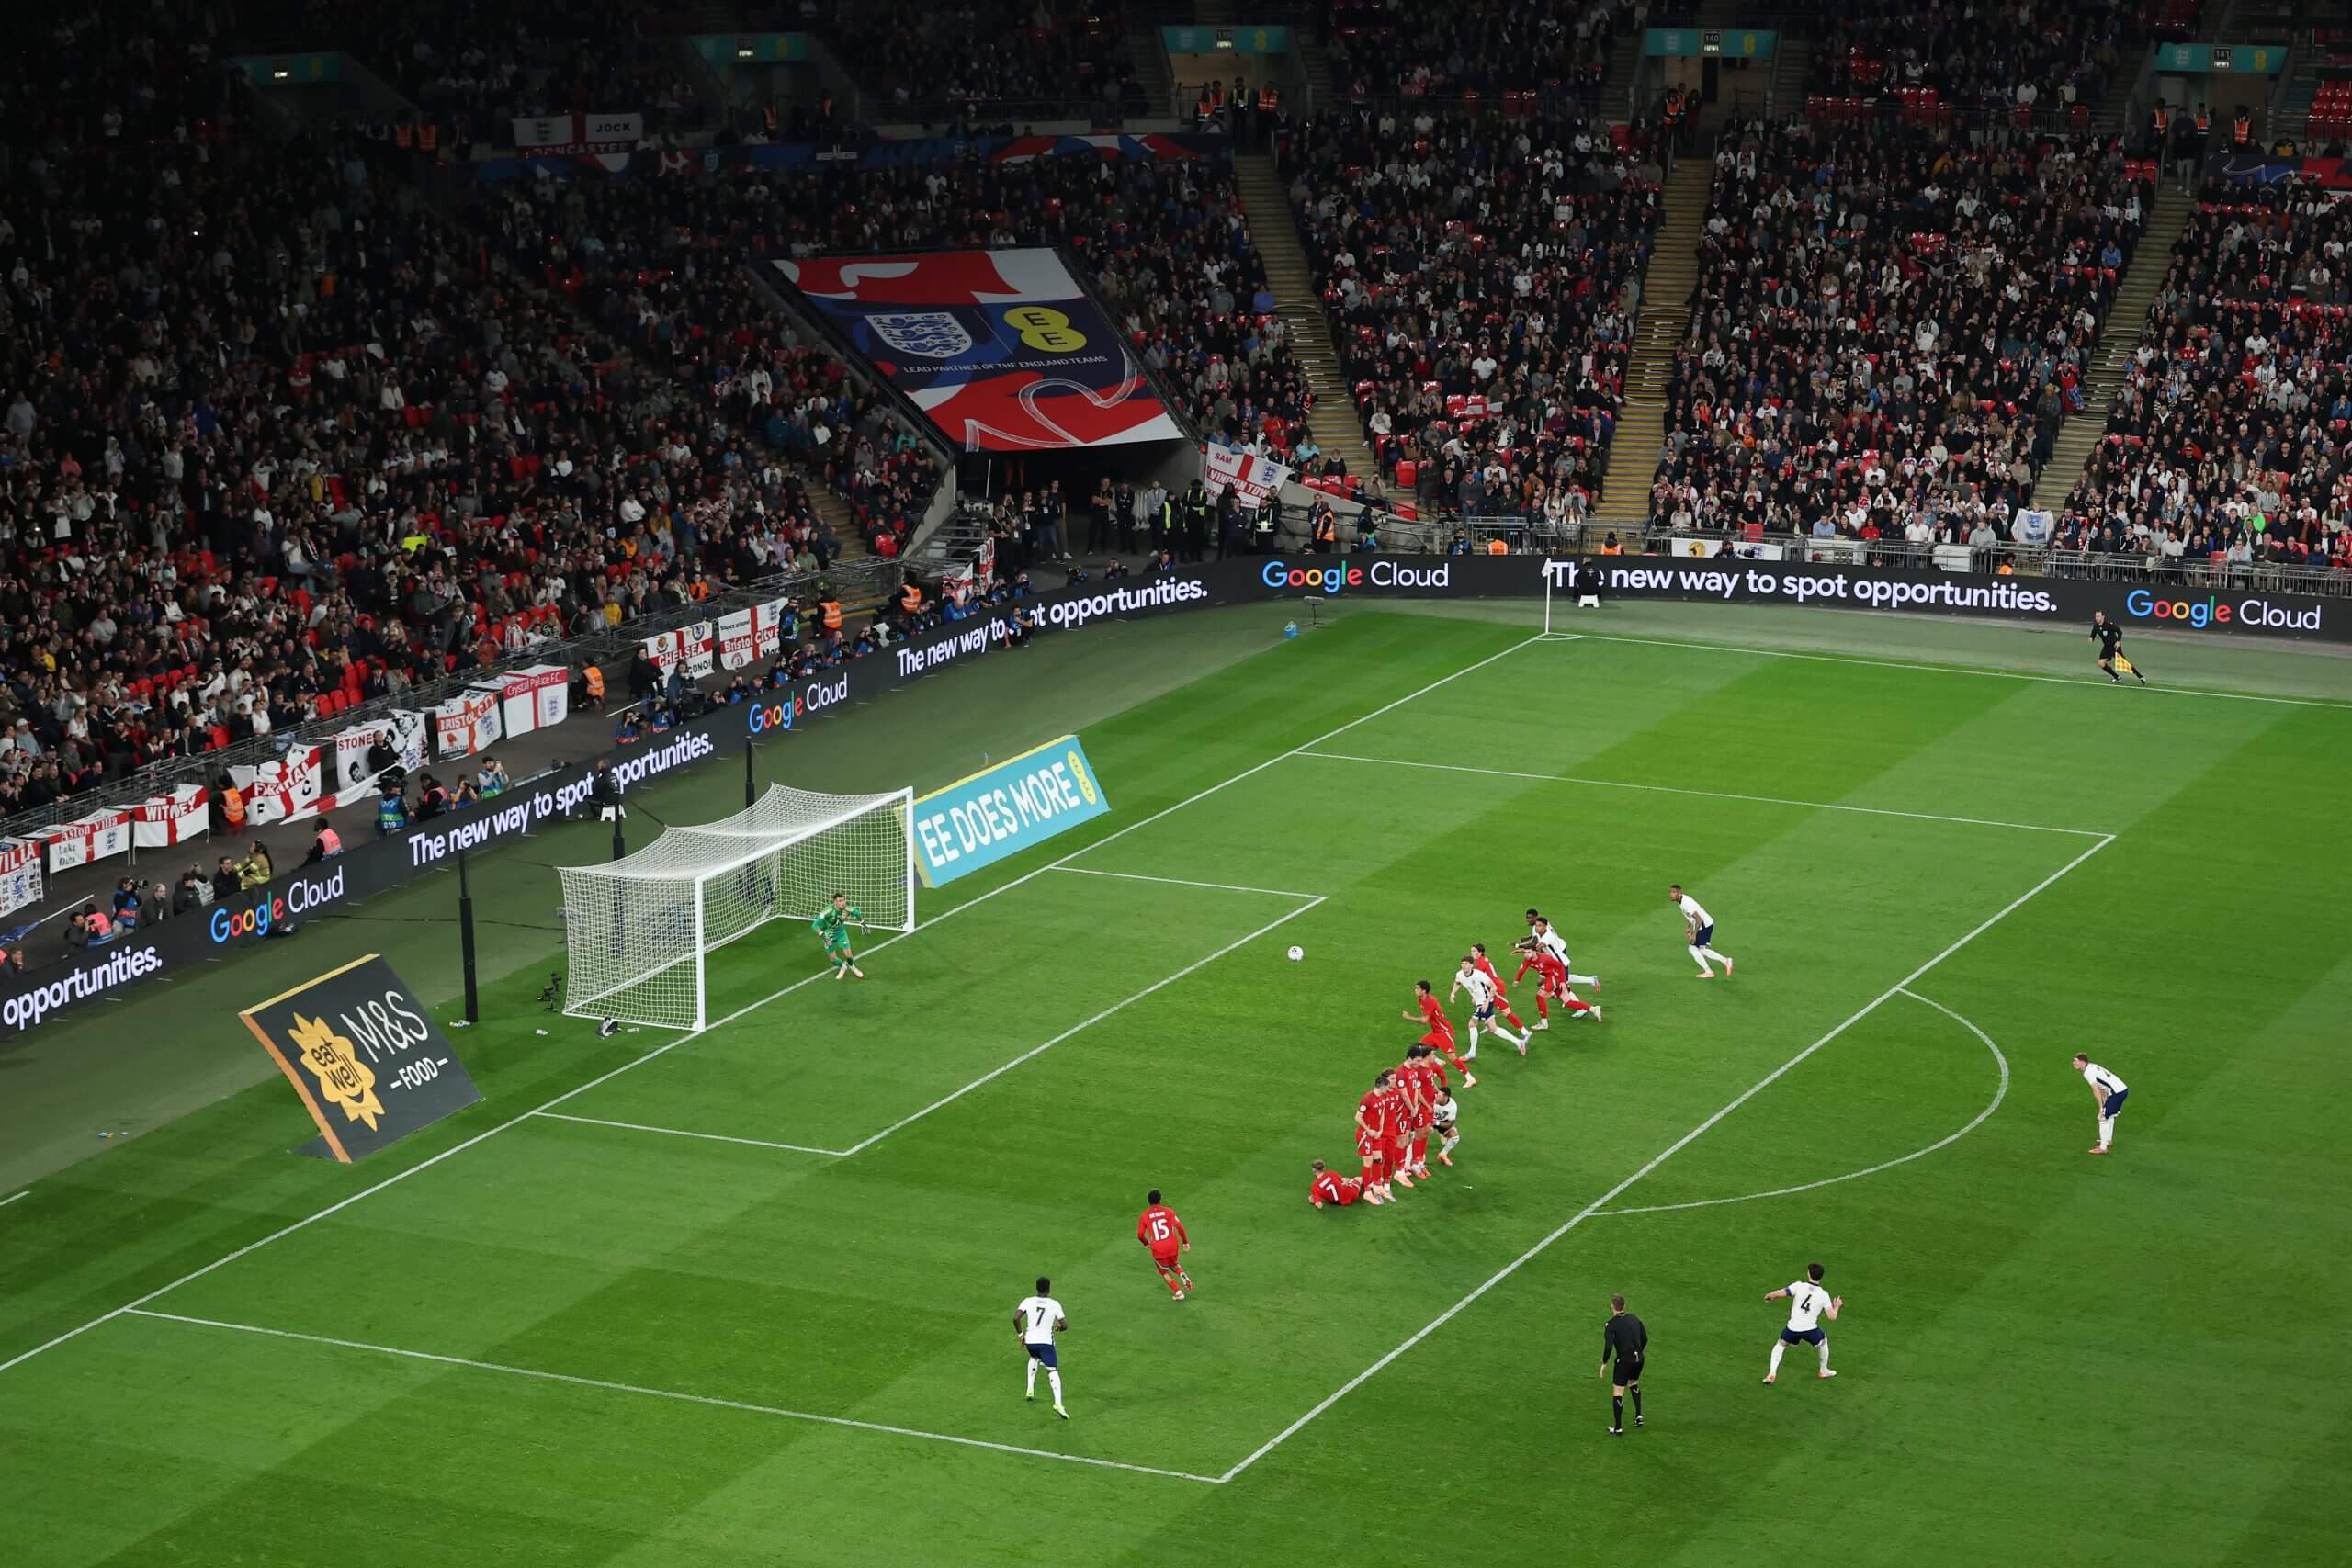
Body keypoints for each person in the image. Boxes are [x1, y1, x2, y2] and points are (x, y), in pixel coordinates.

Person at [1763, 1263, 1842, 1383]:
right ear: (1821, 1276)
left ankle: (1772, 1373)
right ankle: (1823, 1370)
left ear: (1809, 1274)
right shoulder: (1823, 1294)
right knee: (1823, 1342)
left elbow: (1782, 1292)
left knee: (1781, 1345)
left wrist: (1771, 1295)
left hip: (1792, 1328)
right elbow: (1832, 1317)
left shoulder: (1799, 1286)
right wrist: (1836, 1306)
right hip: (1810, 1330)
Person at [1450, 953, 1530, 1057]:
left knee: (1472, 1024)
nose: (1464, 966)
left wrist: (1487, 1002)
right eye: (1462, 963)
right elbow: (1458, 982)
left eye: (1466, 964)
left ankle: (1472, 1053)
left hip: (1485, 1002)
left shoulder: (1479, 975)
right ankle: (1519, 1042)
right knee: (1493, 1028)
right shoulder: (1459, 974)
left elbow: (1494, 987)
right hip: (1479, 1003)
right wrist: (1453, 993)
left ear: (1472, 965)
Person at [1012, 1276, 1070, 1418]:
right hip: (1045, 1343)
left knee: (1034, 1357)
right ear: (1049, 1289)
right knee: (1052, 1370)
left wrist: (1020, 1335)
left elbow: (1016, 1318)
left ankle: (1030, 1389)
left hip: (1030, 1342)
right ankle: (1058, 1403)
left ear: (1037, 1288)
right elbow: (1065, 1325)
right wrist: (1058, 1327)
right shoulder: (1054, 1304)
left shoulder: (1028, 1301)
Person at [1512, 934, 1600, 1025]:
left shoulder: (1545, 958)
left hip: (1555, 977)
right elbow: (1522, 970)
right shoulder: (1528, 959)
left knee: (1540, 995)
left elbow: (1560, 966)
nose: (1526, 954)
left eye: (1528, 952)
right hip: (1551, 977)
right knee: (1567, 1002)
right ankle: (1593, 1009)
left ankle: (1544, 1023)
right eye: (1525, 952)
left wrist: (1562, 981)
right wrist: (1517, 980)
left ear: (1535, 951)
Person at [1403, 979, 1476, 1086]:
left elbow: (1425, 1020)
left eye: (1417, 988)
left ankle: (1470, 1078)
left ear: (1424, 991)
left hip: (1444, 1032)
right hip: (1436, 1032)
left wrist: (1409, 1017)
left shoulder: (1429, 1001)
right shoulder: (1422, 1000)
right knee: (1421, 1046)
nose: (1415, 990)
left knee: (1452, 1057)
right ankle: (1439, 1062)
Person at [1600, 1293, 1648, 1435]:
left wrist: (1604, 1362)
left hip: (1624, 1361)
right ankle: (1639, 1416)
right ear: (1624, 1306)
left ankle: (1618, 1427)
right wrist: (1638, 1351)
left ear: (1612, 1307)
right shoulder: (1634, 1319)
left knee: (1618, 1392)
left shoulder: (1611, 1325)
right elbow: (1645, 1338)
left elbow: (1608, 1346)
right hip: (1639, 1359)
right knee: (1633, 1383)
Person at [1136, 1190, 1193, 1300]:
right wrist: (1185, 1242)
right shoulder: (1169, 1211)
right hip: (1172, 1245)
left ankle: (1178, 1292)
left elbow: (1140, 1234)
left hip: (1159, 1249)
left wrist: (1146, 1243)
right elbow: (1180, 1227)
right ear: (1160, 1199)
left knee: (1164, 1271)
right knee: (1173, 1263)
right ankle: (1182, 1274)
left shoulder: (1145, 1215)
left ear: (1148, 1201)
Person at [1668, 884, 1734, 978]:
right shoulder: (1682, 900)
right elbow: (1691, 915)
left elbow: (1698, 919)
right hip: (1706, 923)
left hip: (1704, 925)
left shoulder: (1686, 903)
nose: (1671, 894)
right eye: (1670, 892)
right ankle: (1725, 961)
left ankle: (1709, 971)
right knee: (1701, 949)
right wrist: (1689, 926)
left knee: (1692, 948)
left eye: (1674, 892)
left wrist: (1694, 935)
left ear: (1679, 893)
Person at [1468, 942, 1532, 1035]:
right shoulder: (1482, 960)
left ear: (1480, 952)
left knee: (1506, 1012)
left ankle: (1524, 1031)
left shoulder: (1481, 963)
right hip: (1491, 987)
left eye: (1474, 951)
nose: (1471, 953)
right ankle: (1489, 1023)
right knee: (1478, 1003)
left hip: (1496, 989)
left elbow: (1478, 979)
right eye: (1471, 951)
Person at [2072, 1053, 2130, 1156]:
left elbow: (2096, 1090)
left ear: (2082, 1062)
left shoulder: (2088, 1072)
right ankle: (2108, 1140)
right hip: (2122, 1089)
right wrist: (2105, 1103)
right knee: (2109, 1115)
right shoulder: (2092, 1066)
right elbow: (2102, 1087)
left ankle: (2103, 1148)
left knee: (2102, 1117)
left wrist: (2101, 1108)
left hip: (2116, 1093)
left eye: (2076, 1061)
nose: (2073, 1063)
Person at [1354, 1069, 1396, 1202]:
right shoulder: (1367, 1098)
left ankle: (1378, 1186)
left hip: (1376, 1135)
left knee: (1378, 1159)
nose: (1389, 1089)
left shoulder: (1382, 1098)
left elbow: (1382, 1113)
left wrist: (1380, 1130)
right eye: (1387, 1087)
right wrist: (1368, 1130)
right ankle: (1367, 1192)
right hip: (1365, 1135)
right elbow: (1357, 1117)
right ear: (1382, 1087)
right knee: (1368, 1162)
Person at [811, 891, 868, 979]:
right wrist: (824, 937)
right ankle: (842, 967)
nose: (843, 903)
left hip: (841, 934)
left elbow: (857, 913)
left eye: (844, 900)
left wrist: (864, 925)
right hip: (828, 936)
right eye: (840, 901)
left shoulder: (847, 909)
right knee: (833, 959)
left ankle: (853, 967)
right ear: (835, 902)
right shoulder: (828, 911)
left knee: (848, 954)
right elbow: (815, 925)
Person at [2089, 610, 2147, 686]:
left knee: (2124, 664)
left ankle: (2141, 677)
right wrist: (2091, 638)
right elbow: (2093, 634)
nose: (2097, 618)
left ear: (2103, 617)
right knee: (2101, 663)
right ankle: (2117, 677)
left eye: (2098, 616)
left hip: (2115, 646)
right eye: (2096, 616)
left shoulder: (2109, 625)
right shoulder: (2096, 626)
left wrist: (2118, 641)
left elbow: (2119, 632)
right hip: (2107, 647)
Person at [1431, 1082, 1459, 1167]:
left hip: (1442, 1122)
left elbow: (1450, 1124)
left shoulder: (1452, 1106)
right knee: (1422, 1133)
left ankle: (1442, 1154)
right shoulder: (1432, 1098)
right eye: (1437, 1094)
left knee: (1455, 1137)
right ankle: (1419, 1158)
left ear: (1446, 1097)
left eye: (1440, 1095)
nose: (1437, 1096)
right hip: (1428, 1120)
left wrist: (1437, 1123)